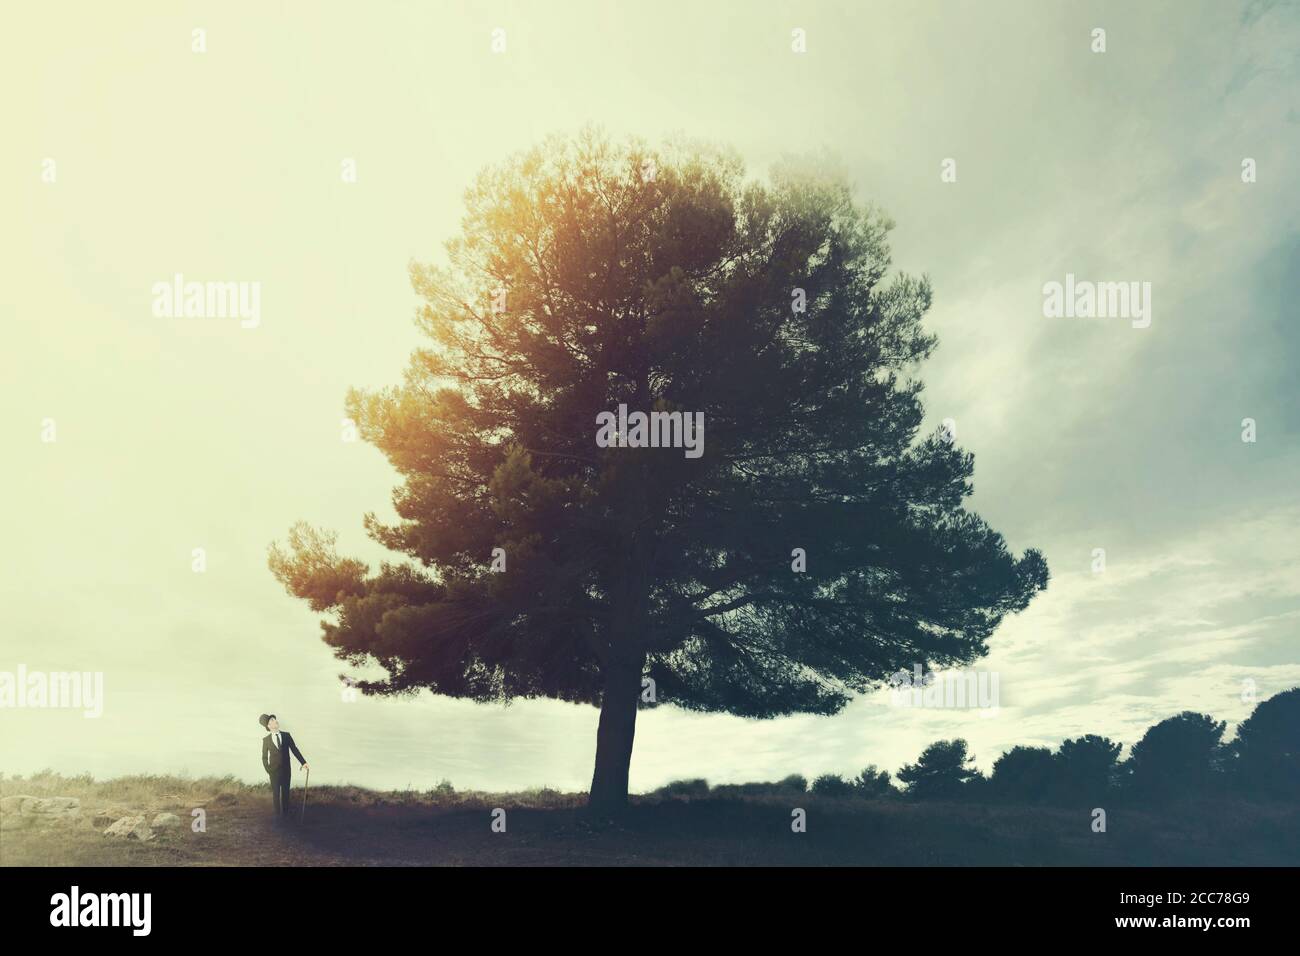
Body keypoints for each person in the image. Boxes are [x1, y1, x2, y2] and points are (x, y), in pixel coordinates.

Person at [259, 713, 309, 823]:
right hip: (273, 772)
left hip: (286, 770)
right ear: (268, 726)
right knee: (276, 794)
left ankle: (286, 817)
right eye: (271, 721)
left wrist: (303, 762)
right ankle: (277, 817)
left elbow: (294, 749)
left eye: (274, 719)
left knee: (286, 793)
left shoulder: (286, 735)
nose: (274, 721)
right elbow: (264, 757)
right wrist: (268, 770)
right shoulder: (266, 740)